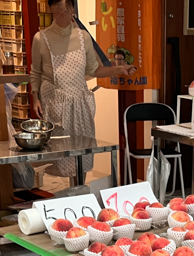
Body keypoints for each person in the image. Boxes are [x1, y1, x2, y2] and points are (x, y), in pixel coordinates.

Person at [30, 0, 136, 181]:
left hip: (80, 104)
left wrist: (118, 69)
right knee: (60, 154)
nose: (60, 17)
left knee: (84, 153)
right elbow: (35, 72)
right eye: (55, 13)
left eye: (63, 12)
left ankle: (81, 191)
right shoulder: (41, 38)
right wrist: (35, 97)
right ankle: (66, 199)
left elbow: (94, 70)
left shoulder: (83, 37)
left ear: (72, 8)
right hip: (56, 103)